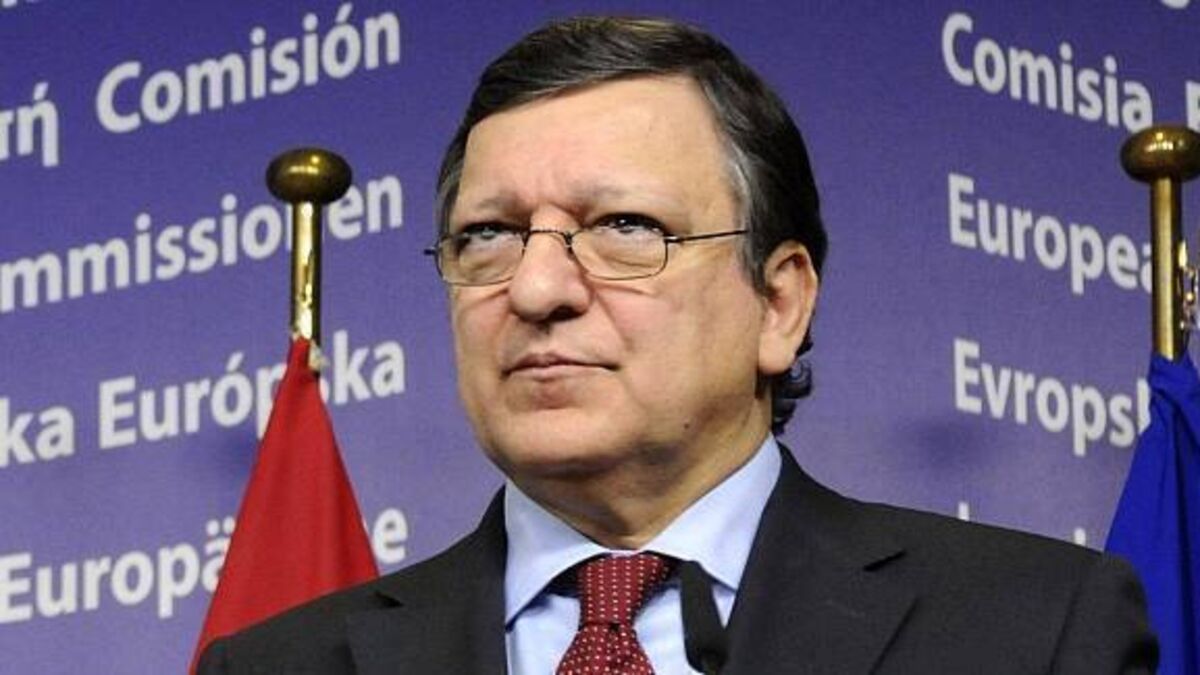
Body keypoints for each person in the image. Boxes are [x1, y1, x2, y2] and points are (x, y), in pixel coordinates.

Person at [197, 16, 1158, 674]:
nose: (535, 289)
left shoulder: (1036, 630)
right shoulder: (281, 664)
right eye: (488, 235)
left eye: (624, 227)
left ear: (779, 303)